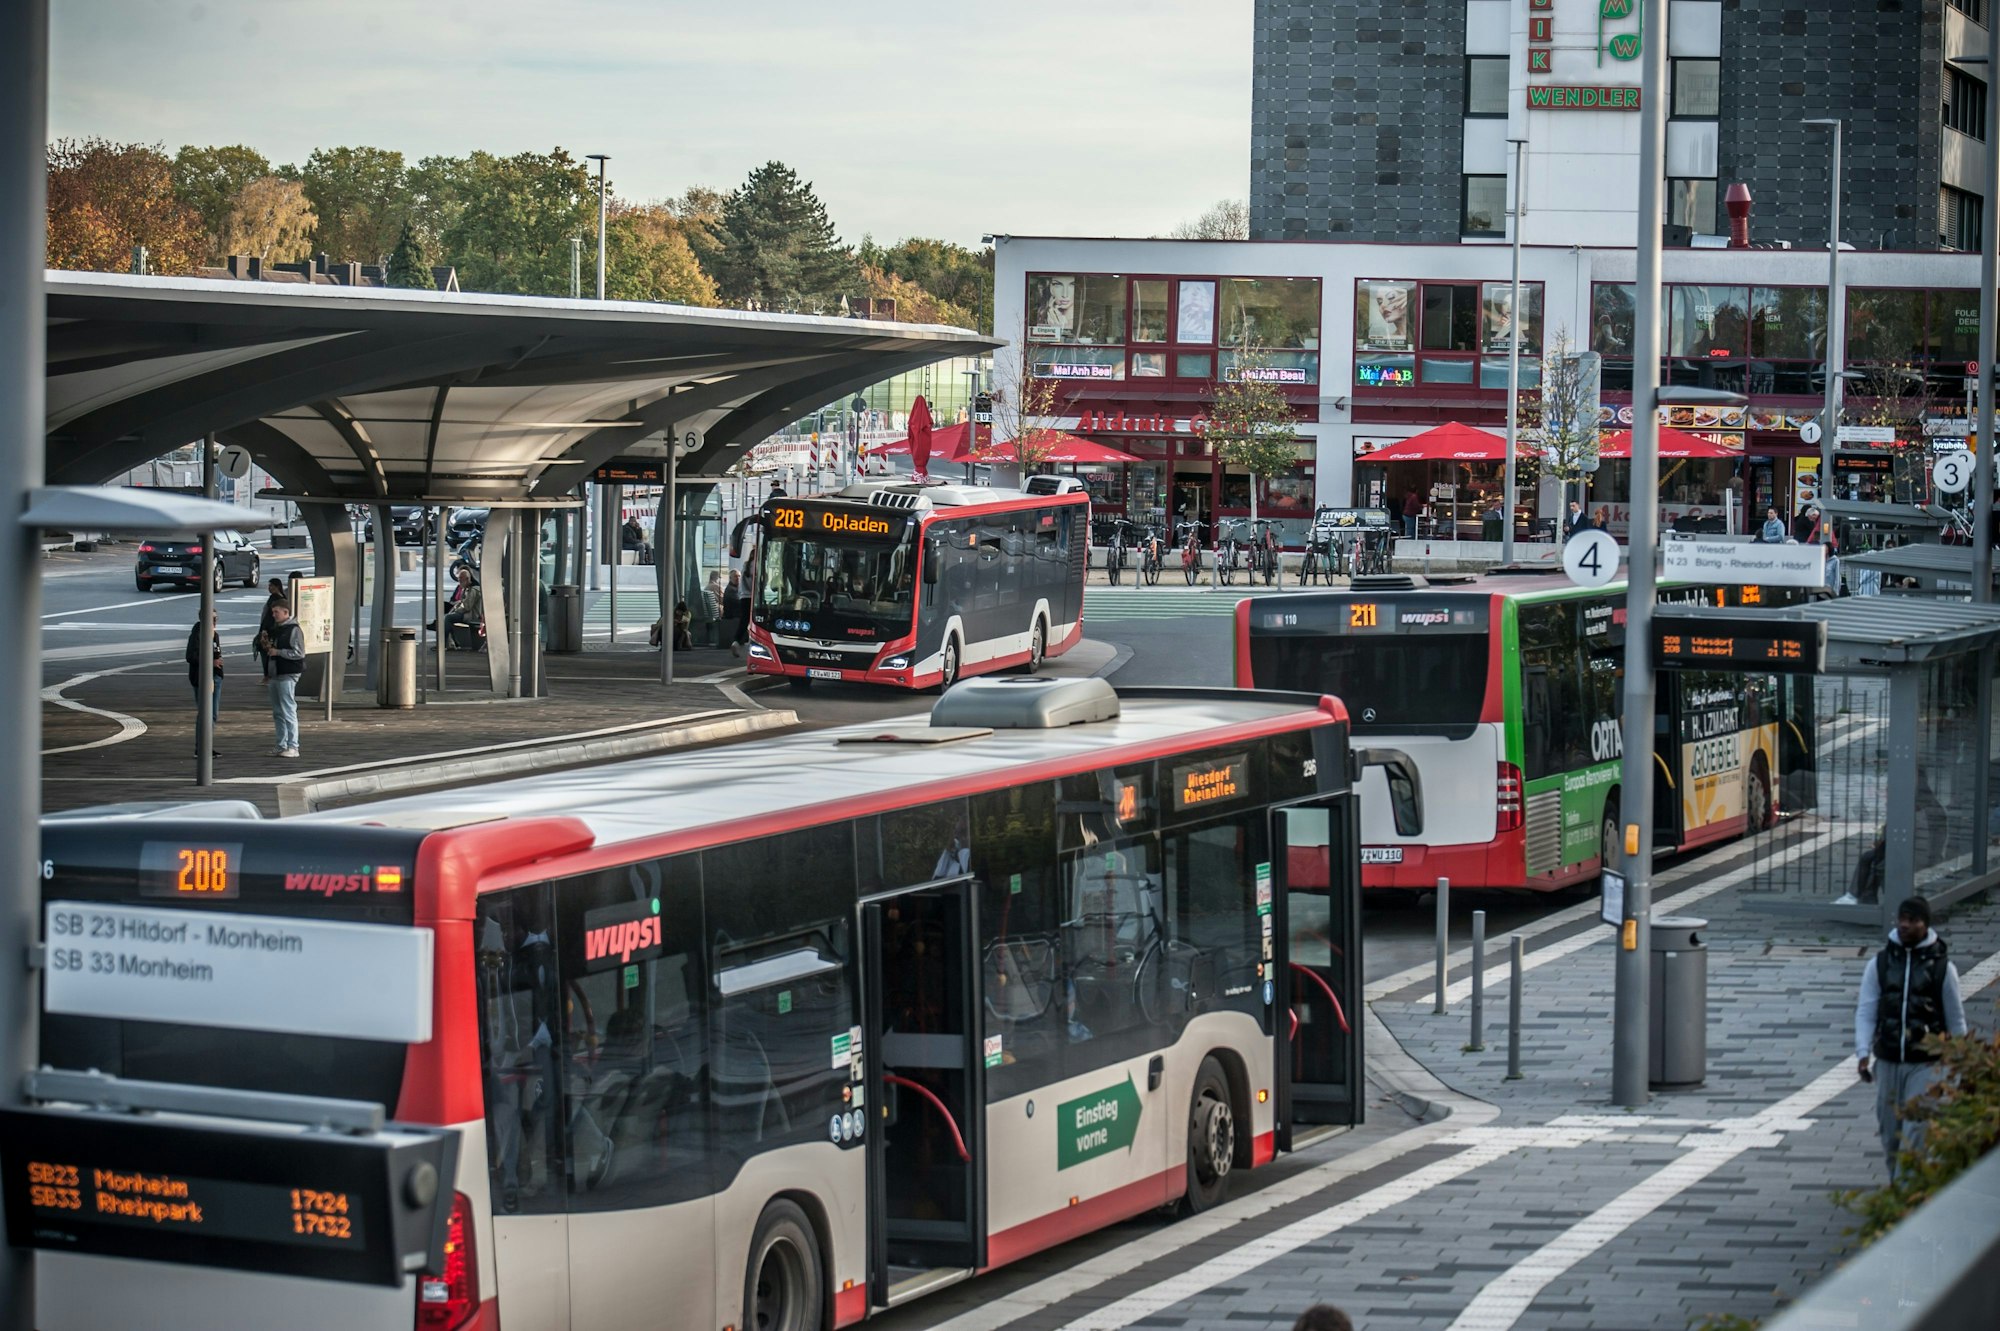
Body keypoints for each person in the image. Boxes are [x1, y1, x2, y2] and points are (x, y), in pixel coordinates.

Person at [1854, 896, 1968, 1177]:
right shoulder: (1879, 964)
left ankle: (1908, 1202)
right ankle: (1898, 1190)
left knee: (1916, 1129)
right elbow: (1866, 1010)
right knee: (1890, 1132)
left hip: (1926, 1064)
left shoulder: (1943, 969)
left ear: (1925, 924)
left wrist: (1963, 1064)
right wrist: (1862, 1052)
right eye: (1901, 919)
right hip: (1889, 1060)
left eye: (1912, 920)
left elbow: (1956, 1020)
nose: (1904, 925)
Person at [263, 600, 305, 759]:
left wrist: (278, 652)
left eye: (276, 612)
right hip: (276, 673)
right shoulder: (279, 629)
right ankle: (281, 745)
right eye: (273, 612)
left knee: (288, 709)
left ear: (286, 613)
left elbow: (299, 653)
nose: (274, 615)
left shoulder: (294, 629)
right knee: (278, 711)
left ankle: (293, 746)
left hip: (287, 673)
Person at [184, 609, 222, 757]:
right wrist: (211, 662)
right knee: (207, 713)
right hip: (202, 677)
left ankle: (206, 745)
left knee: (212, 714)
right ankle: (202, 747)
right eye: (213, 618)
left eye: (216, 618)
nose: (215, 621)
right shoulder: (199, 634)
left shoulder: (213, 634)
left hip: (215, 676)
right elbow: (191, 656)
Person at [443, 566, 484, 651]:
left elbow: (467, 606)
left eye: (461, 580)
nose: (459, 582)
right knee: (448, 617)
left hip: (472, 615)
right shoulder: (467, 588)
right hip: (468, 613)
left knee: (448, 618)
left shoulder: (473, 590)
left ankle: (445, 643)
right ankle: (452, 643)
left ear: (467, 579)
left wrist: (457, 610)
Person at [255, 576, 286, 677]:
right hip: (274, 629)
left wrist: (264, 630)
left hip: (270, 630)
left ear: (277, 587)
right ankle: (269, 675)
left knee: (266, 652)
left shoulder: (274, 599)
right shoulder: (283, 598)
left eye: (271, 586)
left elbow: (268, 617)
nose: (269, 588)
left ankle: (267, 675)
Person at [721, 570, 745, 658]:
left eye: (739, 576)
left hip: (735, 614)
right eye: (735, 576)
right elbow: (739, 603)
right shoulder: (731, 590)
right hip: (732, 615)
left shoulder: (736, 588)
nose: (737, 578)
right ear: (730, 578)